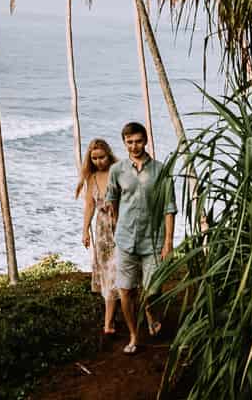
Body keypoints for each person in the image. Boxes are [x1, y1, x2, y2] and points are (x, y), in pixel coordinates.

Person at [105, 121, 175, 354]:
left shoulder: (161, 170)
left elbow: (169, 207)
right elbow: (112, 197)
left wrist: (168, 242)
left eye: (138, 141)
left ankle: (150, 311)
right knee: (125, 290)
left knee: (153, 289)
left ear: (146, 141)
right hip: (125, 240)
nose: (134, 146)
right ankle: (134, 335)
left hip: (153, 241)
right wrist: (114, 220)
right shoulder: (117, 171)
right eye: (129, 142)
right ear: (124, 143)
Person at [76, 138, 121, 335]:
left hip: (121, 226)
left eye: (101, 157)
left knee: (123, 271)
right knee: (108, 274)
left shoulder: (118, 171)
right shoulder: (92, 178)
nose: (98, 161)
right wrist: (85, 230)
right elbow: (90, 205)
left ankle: (112, 321)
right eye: (94, 158)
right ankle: (109, 322)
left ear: (108, 154)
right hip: (102, 231)